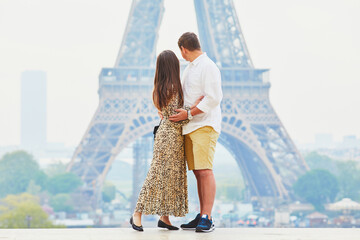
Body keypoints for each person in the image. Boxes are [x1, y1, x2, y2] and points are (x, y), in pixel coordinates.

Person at [130, 50, 202, 232]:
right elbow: (178, 116)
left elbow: (167, 113)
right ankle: (137, 214)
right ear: (173, 66)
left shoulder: (160, 87)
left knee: (166, 177)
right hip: (171, 137)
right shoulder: (173, 88)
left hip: (167, 136)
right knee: (157, 176)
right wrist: (196, 107)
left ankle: (164, 218)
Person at [169, 32, 222, 233]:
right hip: (191, 124)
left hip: (203, 125)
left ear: (183, 49)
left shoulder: (208, 67)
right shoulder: (191, 68)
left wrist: (189, 112)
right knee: (198, 172)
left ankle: (207, 217)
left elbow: (214, 98)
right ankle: (202, 215)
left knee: (205, 170)